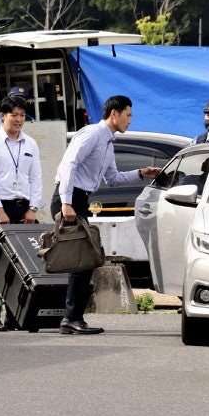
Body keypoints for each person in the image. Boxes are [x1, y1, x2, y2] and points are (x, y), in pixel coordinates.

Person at [51, 94, 161, 335]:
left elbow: (112, 178)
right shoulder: (92, 133)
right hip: (69, 199)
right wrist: (66, 203)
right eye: (128, 115)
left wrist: (141, 173)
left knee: (84, 261)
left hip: (80, 200)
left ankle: (72, 318)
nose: (130, 120)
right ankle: (71, 318)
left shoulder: (108, 142)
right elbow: (69, 164)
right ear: (114, 114)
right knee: (81, 261)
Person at [0, 95, 44, 331]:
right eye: (14, 115)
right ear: (2, 116)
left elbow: (36, 177)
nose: (18, 119)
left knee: (24, 263)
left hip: (24, 208)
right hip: (0, 209)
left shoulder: (30, 144)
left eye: (22, 115)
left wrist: (33, 208)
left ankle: (15, 315)